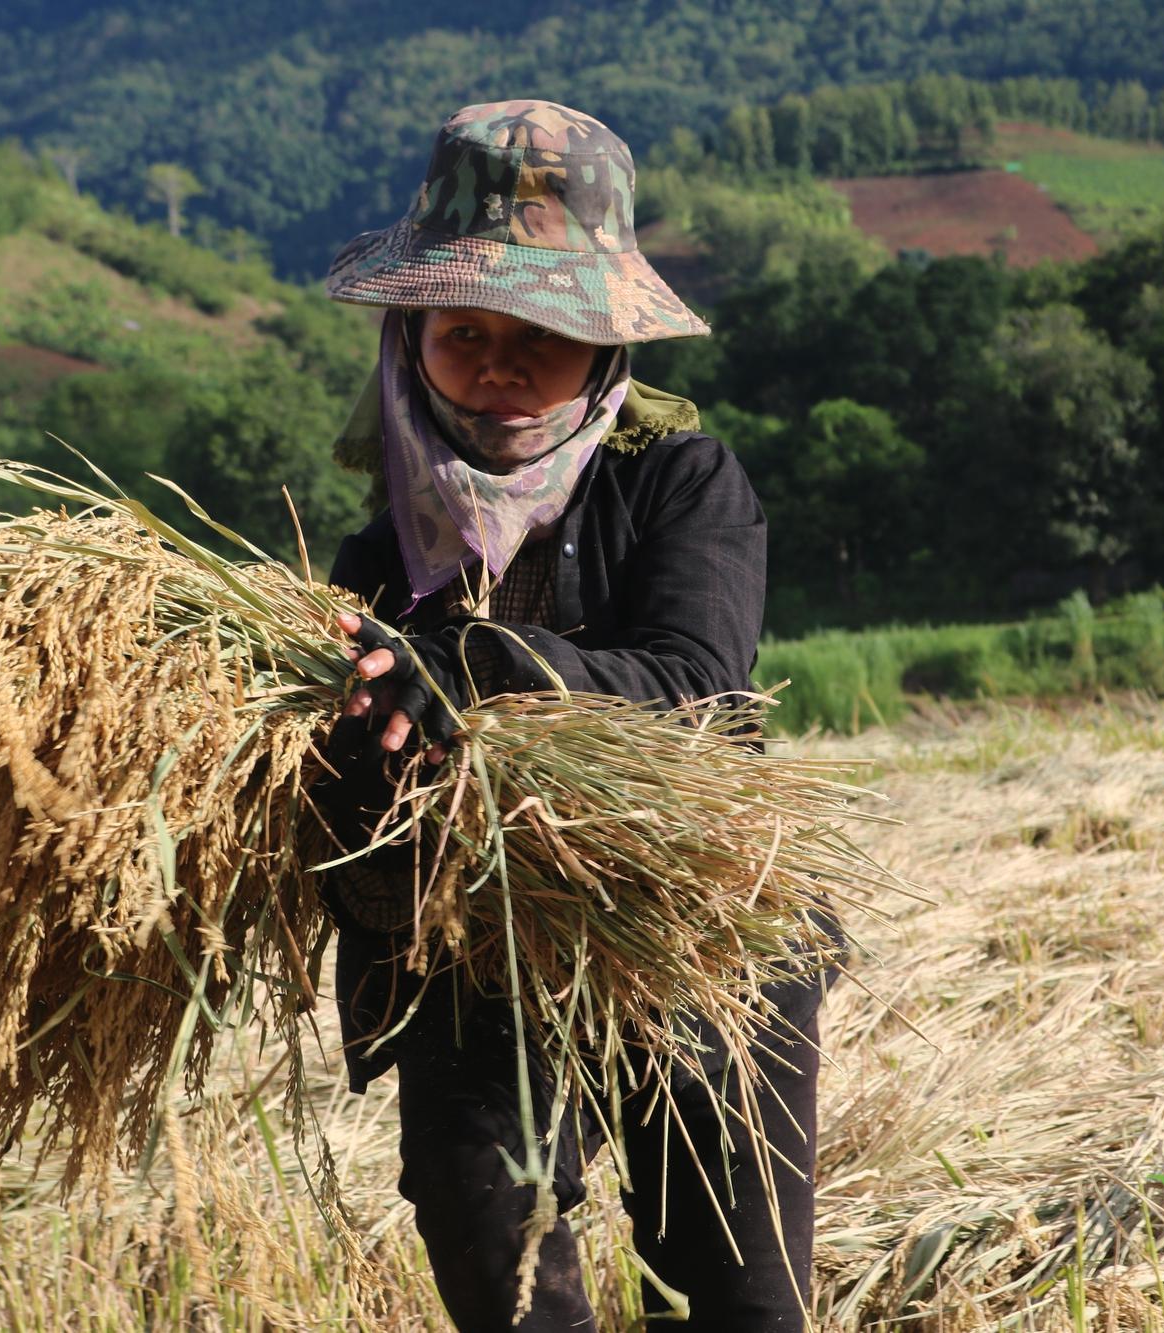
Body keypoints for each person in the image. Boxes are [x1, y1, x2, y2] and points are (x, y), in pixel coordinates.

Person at [309, 98, 843, 1332]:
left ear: (603, 347)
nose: (497, 366)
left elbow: (693, 687)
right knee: (500, 1270)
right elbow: (344, 787)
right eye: (463, 335)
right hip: (470, 953)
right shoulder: (371, 556)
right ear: (410, 342)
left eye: (539, 336)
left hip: (702, 935)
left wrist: (474, 664)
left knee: (734, 1297)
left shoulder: (679, 485)